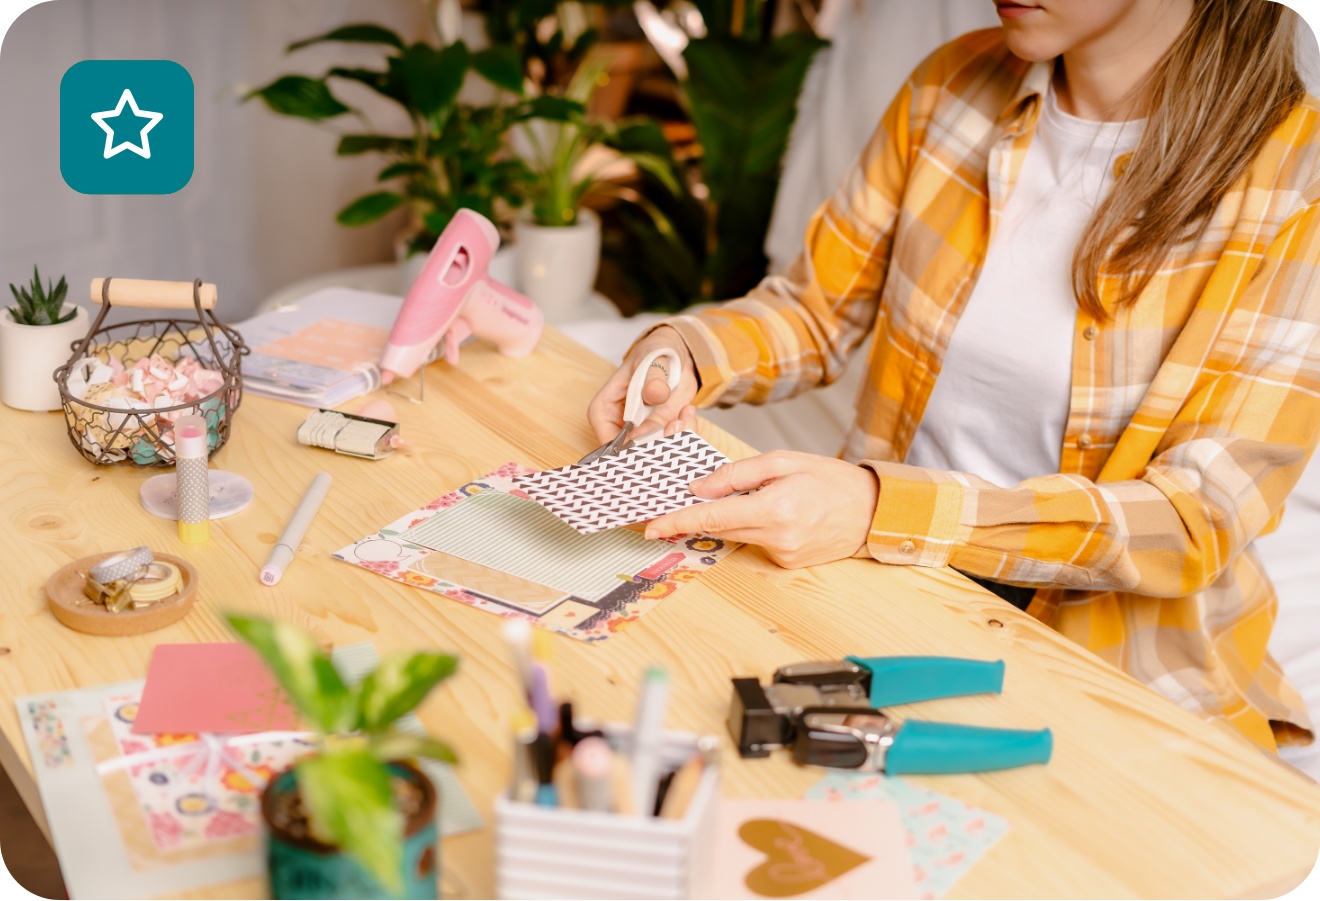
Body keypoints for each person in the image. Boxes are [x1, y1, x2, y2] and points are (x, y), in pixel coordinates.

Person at [587, 0, 1320, 753]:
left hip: (1116, 664)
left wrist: (880, 506)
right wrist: (689, 349)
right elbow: (815, 311)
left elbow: (1197, 517)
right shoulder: (953, 82)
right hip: (876, 575)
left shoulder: (1297, 179)